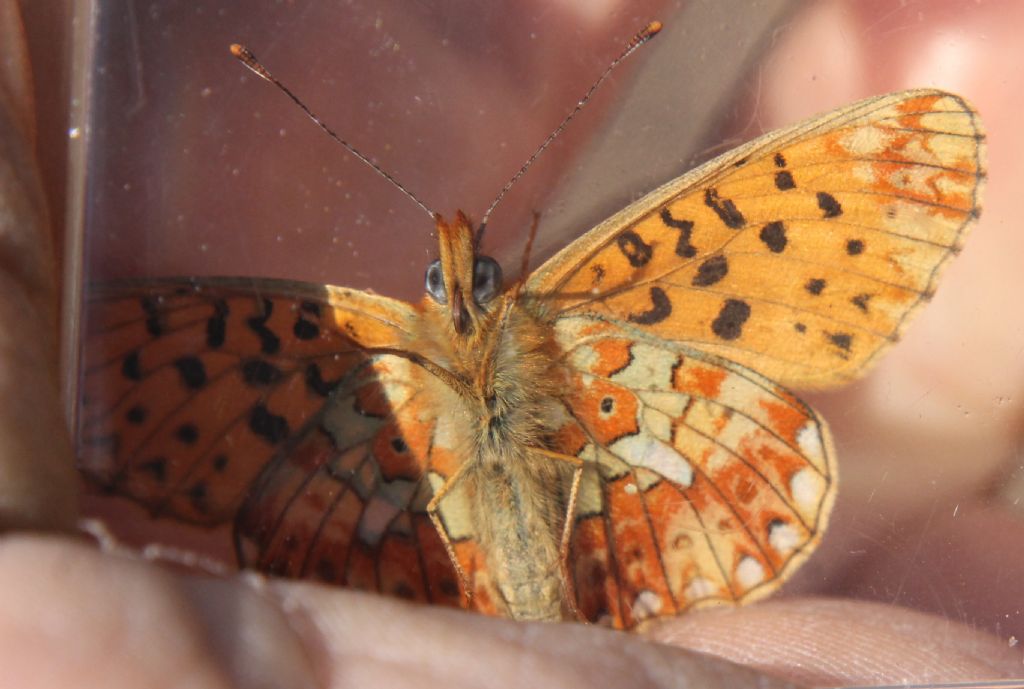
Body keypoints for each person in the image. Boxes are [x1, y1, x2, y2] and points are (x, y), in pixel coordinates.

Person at [1, 2, 1021, 686]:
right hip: (563, 491)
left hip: (442, 524)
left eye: (468, 283)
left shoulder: (328, 347)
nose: (461, 290)